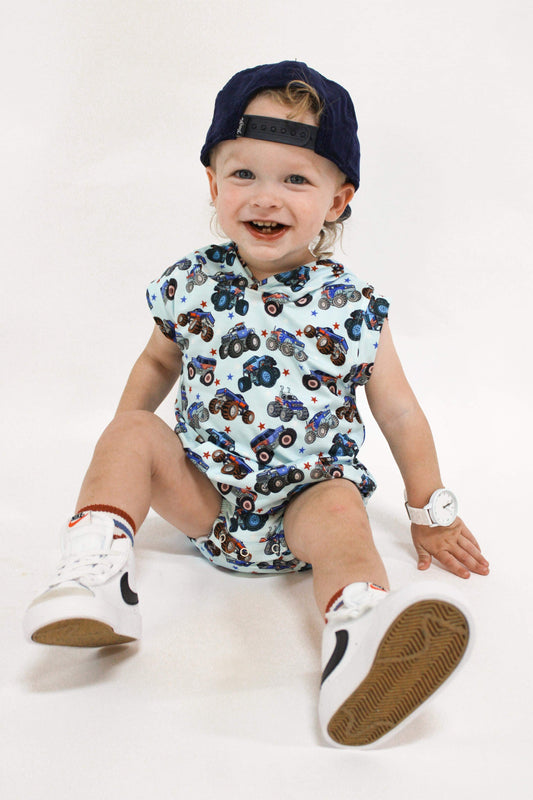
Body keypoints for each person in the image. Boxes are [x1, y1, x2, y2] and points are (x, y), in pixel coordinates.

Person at [24, 60, 489, 748]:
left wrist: (430, 513)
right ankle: (99, 575)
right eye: (244, 174)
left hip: (305, 505)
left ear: (338, 200)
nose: (266, 198)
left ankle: (357, 630)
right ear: (214, 185)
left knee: (341, 510)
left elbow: (398, 413)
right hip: (204, 499)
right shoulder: (190, 282)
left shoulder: (353, 307)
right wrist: (123, 458)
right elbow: (156, 363)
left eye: (296, 179)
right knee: (130, 429)